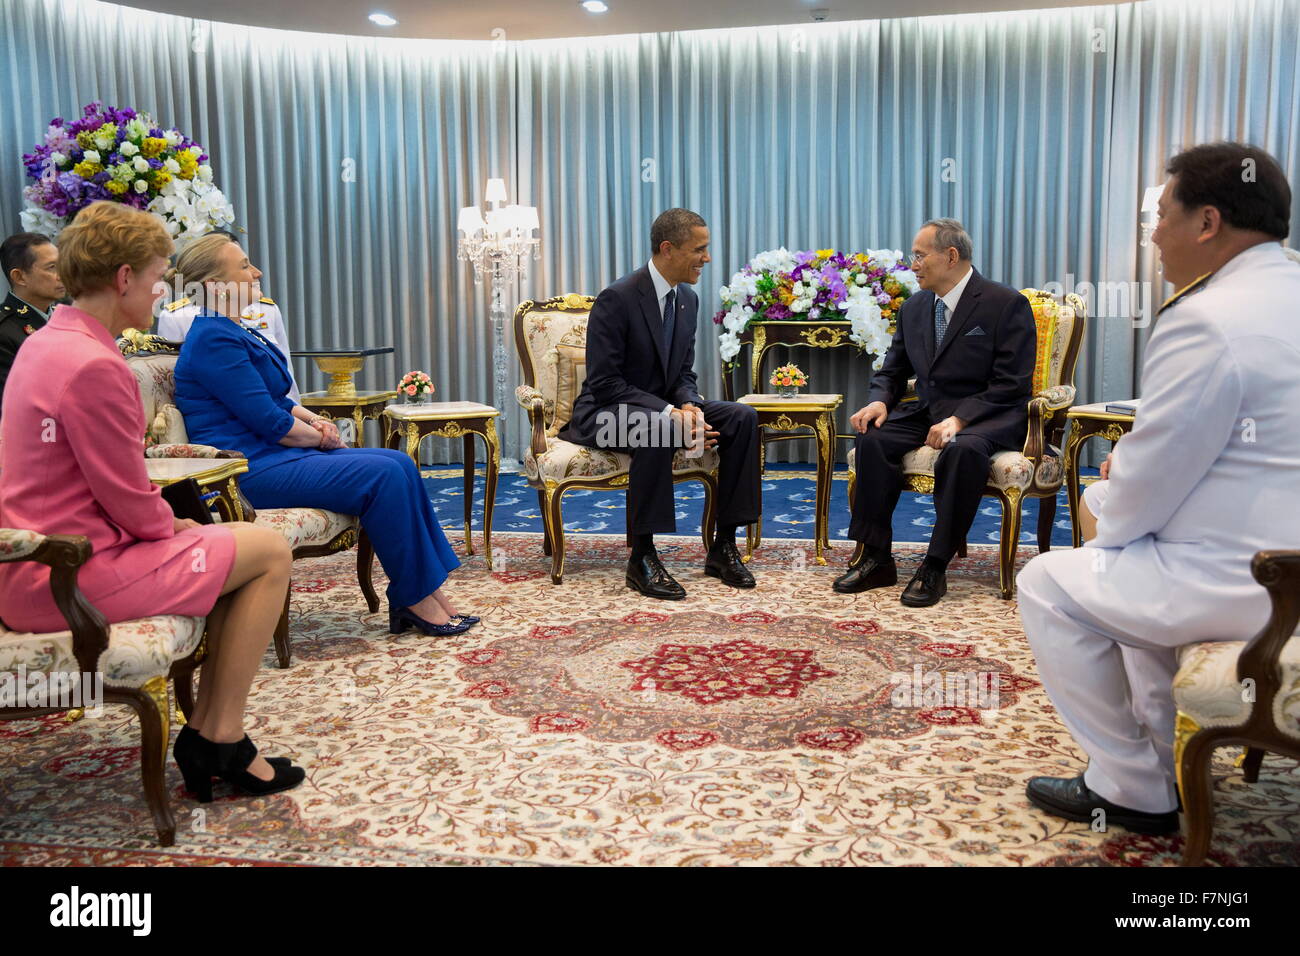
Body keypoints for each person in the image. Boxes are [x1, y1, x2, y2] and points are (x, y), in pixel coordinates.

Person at [1017, 142, 1300, 834]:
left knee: (1054, 580)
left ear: (1206, 222)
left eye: (1160, 215)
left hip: (1253, 578)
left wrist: (1117, 506)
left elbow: (1151, 479)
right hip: (1279, 546)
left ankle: (1131, 784)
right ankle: (1157, 760)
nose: (1153, 235)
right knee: (1124, 536)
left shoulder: (1205, 316)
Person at [0, 201, 303, 800]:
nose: (165, 291)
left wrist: (184, 526)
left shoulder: (48, 340)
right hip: (64, 572)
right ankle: (220, 740)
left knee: (233, 542)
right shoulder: (92, 363)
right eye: (160, 277)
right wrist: (184, 528)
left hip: (38, 559)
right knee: (268, 550)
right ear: (124, 279)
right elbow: (132, 504)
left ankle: (215, 736)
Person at [169, 234, 475, 635]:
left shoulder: (233, 329)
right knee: (382, 474)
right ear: (215, 285)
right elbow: (270, 423)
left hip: (274, 455)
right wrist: (322, 437)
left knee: (398, 461)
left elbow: (277, 400)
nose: (256, 272)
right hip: (247, 468)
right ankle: (414, 599)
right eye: (244, 265)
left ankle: (424, 592)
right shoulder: (213, 337)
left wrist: (314, 420)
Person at [558, 208, 761, 599]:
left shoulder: (688, 299)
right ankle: (643, 557)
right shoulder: (617, 298)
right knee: (659, 426)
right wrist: (671, 412)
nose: (707, 258)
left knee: (741, 417)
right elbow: (604, 383)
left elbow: (684, 374)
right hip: (603, 414)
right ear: (668, 249)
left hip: (662, 411)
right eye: (699, 249)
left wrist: (689, 404)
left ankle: (723, 546)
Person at [836, 218, 1036, 606]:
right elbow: (892, 370)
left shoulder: (1004, 303)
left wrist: (960, 420)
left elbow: (1013, 383)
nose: (913, 263)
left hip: (990, 416)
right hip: (930, 410)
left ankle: (935, 565)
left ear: (951, 256)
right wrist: (880, 400)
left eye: (920, 255)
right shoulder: (914, 308)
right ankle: (876, 556)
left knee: (962, 451)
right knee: (873, 439)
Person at [157, 231, 301, 403]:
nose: (257, 273)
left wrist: (308, 420)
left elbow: (287, 380)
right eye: (244, 266)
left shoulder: (268, 309)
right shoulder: (177, 317)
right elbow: (172, 388)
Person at [0, 233, 66, 410]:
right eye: (52, 267)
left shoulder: (67, 316)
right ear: (20, 277)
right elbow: (17, 404)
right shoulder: (4, 331)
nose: (62, 274)